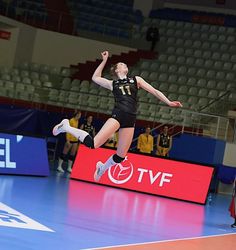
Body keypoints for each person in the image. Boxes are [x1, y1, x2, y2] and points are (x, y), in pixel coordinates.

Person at [52, 51, 182, 182]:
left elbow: (154, 90)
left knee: (120, 156)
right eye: (121, 64)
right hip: (118, 115)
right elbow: (95, 78)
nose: (124, 64)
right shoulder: (112, 84)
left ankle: (102, 168)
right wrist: (104, 61)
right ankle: (66, 126)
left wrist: (168, 102)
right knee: (93, 144)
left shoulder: (136, 79)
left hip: (130, 119)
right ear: (116, 70)